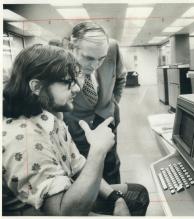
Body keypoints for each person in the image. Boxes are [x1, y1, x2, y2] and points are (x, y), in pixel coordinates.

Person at [2, 44, 149, 216]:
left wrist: (116, 198)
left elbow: (78, 166)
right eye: (67, 82)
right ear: (36, 87)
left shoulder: (50, 116)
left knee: (137, 195)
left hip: (65, 190)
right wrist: (98, 151)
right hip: (47, 211)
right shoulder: (26, 140)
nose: (77, 89)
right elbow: (66, 214)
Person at [63, 22, 126, 184]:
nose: (95, 65)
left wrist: (111, 102)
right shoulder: (58, 60)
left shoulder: (112, 47)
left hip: (107, 118)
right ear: (72, 47)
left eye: (101, 59)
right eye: (89, 58)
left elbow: (120, 77)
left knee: (111, 164)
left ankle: (115, 200)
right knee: (84, 170)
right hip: (77, 126)